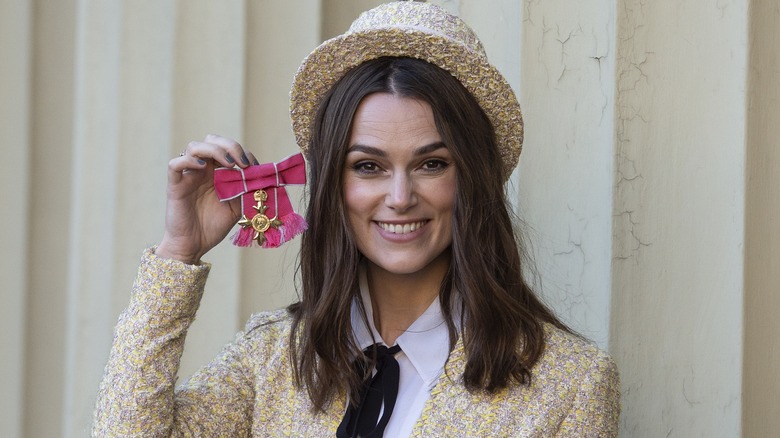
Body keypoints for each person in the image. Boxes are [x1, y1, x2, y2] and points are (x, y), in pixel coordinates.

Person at [93, 2, 619, 437]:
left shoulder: (568, 385)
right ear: (332, 186)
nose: (398, 196)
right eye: (367, 166)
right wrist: (178, 253)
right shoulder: (275, 354)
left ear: (471, 179)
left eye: (431, 164)